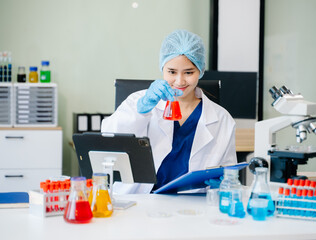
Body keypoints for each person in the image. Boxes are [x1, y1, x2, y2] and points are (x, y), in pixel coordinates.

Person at [101, 29, 237, 194]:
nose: (179, 81)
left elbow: (229, 173)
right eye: (172, 72)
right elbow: (109, 140)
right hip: (141, 201)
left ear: (200, 70)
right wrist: (141, 111)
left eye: (189, 72)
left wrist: (225, 184)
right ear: (162, 68)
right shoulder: (139, 102)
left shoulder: (222, 119)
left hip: (193, 205)